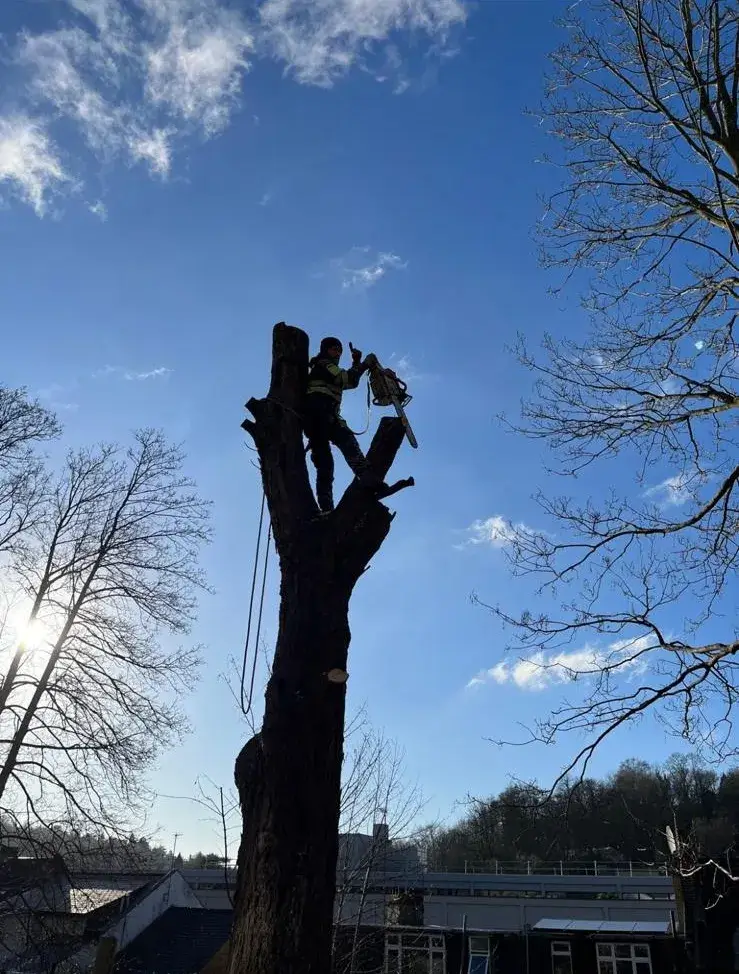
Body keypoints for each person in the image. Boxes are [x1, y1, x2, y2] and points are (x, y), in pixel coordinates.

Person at [303, 336, 381, 512]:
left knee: (326, 464)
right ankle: (364, 478)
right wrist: (362, 365)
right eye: (334, 349)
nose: (337, 353)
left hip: (319, 419)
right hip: (320, 416)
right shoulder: (323, 365)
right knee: (342, 447)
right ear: (325, 350)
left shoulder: (325, 367)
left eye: (339, 350)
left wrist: (357, 363)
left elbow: (349, 381)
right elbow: (346, 379)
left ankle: (327, 508)